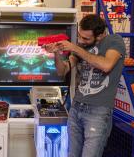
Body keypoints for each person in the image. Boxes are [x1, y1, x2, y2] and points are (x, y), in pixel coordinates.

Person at [44, 14, 125, 157]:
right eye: (80, 36)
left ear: (100, 36)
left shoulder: (114, 41)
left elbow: (106, 65)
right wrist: (56, 54)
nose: (81, 40)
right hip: (76, 107)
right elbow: (63, 70)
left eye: (86, 38)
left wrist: (75, 48)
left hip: (98, 111)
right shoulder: (82, 46)